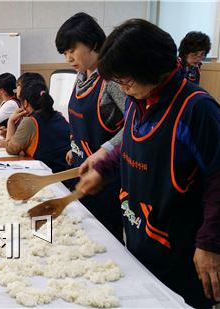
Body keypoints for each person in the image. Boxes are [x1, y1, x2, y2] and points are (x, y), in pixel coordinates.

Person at [77, 19, 220, 308]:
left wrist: (211, 243)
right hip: (139, 239)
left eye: (127, 81)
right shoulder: (138, 99)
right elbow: (133, 148)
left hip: (181, 251)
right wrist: (103, 169)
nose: (124, 89)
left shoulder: (196, 109)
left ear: (151, 69)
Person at [55, 12, 126, 242]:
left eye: (71, 50)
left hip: (107, 178)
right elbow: (81, 120)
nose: (68, 58)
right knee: (84, 234)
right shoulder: (81, 76)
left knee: (105, 240)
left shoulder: (112, 80)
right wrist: (74, 145)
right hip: (82, 169)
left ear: (93, 43)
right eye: (65, 53)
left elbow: (136, 126)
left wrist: (106, 149)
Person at [0, 79, 70, 173]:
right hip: (65, 171)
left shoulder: (30, 121)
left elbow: (12, 149)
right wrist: (5, 142)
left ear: (25, 103)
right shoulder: (59, 116)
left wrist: (11, 121)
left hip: (46, 173)